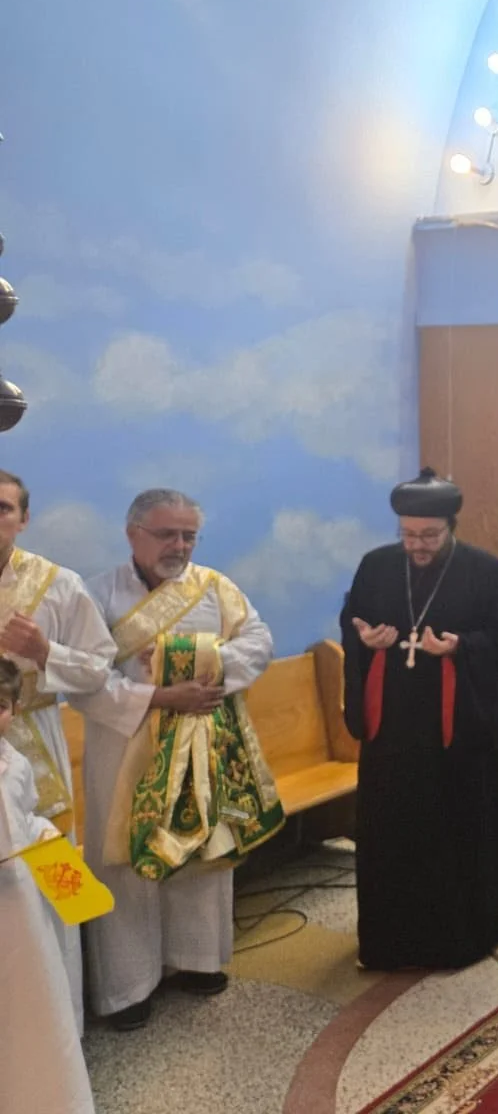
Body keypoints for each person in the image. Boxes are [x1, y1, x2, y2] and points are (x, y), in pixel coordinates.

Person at [77, 488, 277, 1030]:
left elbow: (258, 641)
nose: (180, 545)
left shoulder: (215, 588)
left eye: (189, 535)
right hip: (125, 747)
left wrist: (198, 661)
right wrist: (160, 694)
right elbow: (85, 680)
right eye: (167, 533)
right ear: (133, 533)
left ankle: (196, 960)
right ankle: (127, 986)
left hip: (201, 743)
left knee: (198, 844)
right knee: (124, 855)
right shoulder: (94, 596)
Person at [340, 469, 498, 970]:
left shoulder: (485, 571)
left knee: (456, 830)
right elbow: (353, 619)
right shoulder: (376, 566)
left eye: (428, 536)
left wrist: (461, 648)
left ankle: (463, 936)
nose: (417, 546)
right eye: (408, 535)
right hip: (394, 730)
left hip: (458, 730)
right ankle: (389, 940)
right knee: (392, 829)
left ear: (450, 528)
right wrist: (366, 639)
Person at [0, 469, 117, 1030]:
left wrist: (46, 651)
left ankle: (64, 1028)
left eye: (2, 508)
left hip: (36, 754)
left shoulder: (58, 585)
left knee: (54, 882)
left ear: (24, 518)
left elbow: (98, 667)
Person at [0, 658, 94, 1112]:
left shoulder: (15, 763)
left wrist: (47, 840)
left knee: (34, 999)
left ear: (14, 710)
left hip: (23, 912)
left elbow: (26, 814)